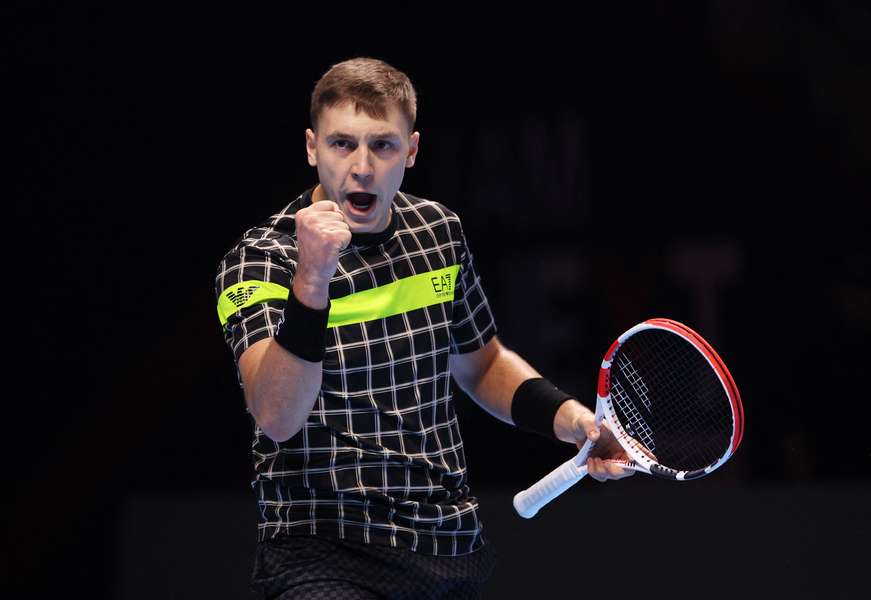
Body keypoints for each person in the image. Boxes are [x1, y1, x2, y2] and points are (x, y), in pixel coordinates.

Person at [214, 57, 633, 600]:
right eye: (342, 144)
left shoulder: (438, 233)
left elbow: (481, 365)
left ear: (411, 151)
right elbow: (275, 416)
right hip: (321, 548)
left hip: (446, 545)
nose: (362, 167)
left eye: (383, 145)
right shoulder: (259, 261)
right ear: (312, 148)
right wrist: (312, 278)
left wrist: (571, 419)